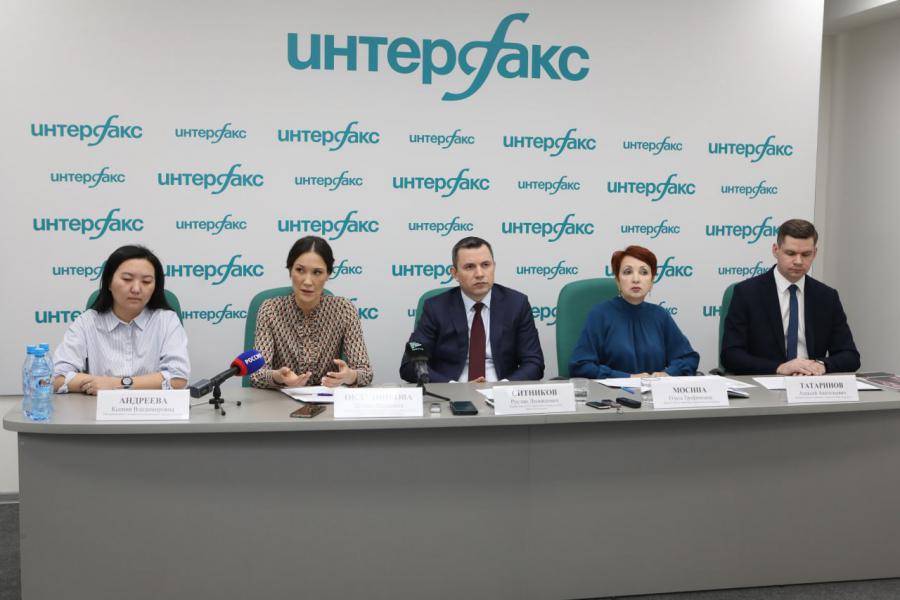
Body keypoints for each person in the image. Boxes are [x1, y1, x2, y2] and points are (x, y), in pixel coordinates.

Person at [721, 219, 860, 375]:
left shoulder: (827, 296)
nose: (798, 261)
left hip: (811, 383)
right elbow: (731, 355)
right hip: (766, 380)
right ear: (776, 250)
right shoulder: (747, 293)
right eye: (791, 253)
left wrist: (821, 365)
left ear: (815, 253)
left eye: (806, 254)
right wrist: (779, 368)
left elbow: (850, 356)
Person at [400, 236, 544, 383]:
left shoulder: (516, 304)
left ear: (494, 266)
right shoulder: (436, 307)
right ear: (455, 273)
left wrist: (503, 387)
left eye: (486, 265)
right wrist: (453, 387)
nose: (480, 274)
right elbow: (410, 365)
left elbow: (534, 363)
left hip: (501, 389)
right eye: (470, 267)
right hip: (452, 390)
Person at [53, 245, 190, 394]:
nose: (136, 289)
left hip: (153, 407)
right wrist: (98, 384)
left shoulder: (167, 320)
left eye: (146, 281)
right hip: (97, 407)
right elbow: (57, 377)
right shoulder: (87, 322)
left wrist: (115, 384)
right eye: (127, 279)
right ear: (109, 282)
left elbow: (178, 378)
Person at [250, 236, 373, 388]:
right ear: (290, 270)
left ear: (328, 275)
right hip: (281, 398)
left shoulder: (344, 309)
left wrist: (349, 376)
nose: (307, 281)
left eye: (317, 272)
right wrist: (279, 377)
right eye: (300, 270)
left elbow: (366, 373)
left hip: (327, 399)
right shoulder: (270, 309)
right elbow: (256, 374)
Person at [569, 245, 699, 379]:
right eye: (628, 272)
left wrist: (668, 374)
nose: (636, 279)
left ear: (652, 282)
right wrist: (627, 378)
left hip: (655, 391)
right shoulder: (600, 315)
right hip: (612, 391)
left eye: (644, 272)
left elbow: (688, 358)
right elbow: (580, 365)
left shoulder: (660, 315)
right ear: (618, 281)